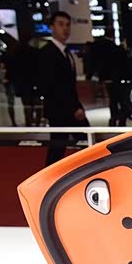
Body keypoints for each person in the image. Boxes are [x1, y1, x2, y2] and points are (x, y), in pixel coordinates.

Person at [38, 11, 90, 165]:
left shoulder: (66, 53)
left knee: (83, 143)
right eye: (60, 24)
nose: (65, 29)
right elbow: (52, 86)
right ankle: (49, 177)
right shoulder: (47, 53)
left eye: (67, 25)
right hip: (59, 110)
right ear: (52, 27)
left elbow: (69, 86)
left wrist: (77, 106)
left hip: (69, 109)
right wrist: (74, 108)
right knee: (59, 148)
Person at [86, 36, 131, 127]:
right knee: (121, 99)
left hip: (108, 78)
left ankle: (113, 118)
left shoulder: (101, 48)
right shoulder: (118, 49)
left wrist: (92, 76)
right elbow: (125, 64)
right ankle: (122, 119)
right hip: (119, 78)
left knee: (113, 99)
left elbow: (96, 62)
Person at [4, 33, 41, 127]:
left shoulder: (15, 53)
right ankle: (36, 124)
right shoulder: (35, 52)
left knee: (27, 104)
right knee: (36, 104)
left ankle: (29, 124)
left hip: (22, 83)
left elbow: (11, 68)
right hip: (34, 82)